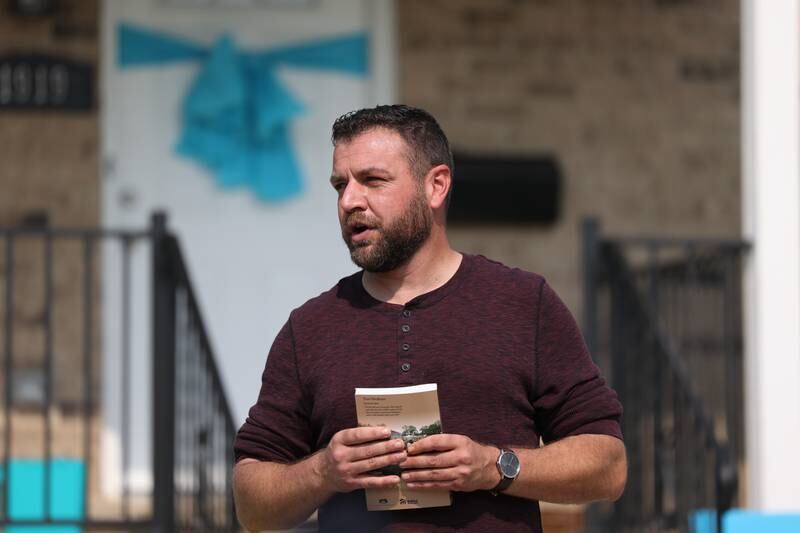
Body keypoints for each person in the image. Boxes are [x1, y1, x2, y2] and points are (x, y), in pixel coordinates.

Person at [232, 105, 626, 532]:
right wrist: (322, 471)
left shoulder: (523, 304)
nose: (349, 201)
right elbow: (252, 507)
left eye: (373, 180)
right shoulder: (310, 328)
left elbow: (609, 466)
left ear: (436, 186)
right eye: (340, 185)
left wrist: (493, 467)